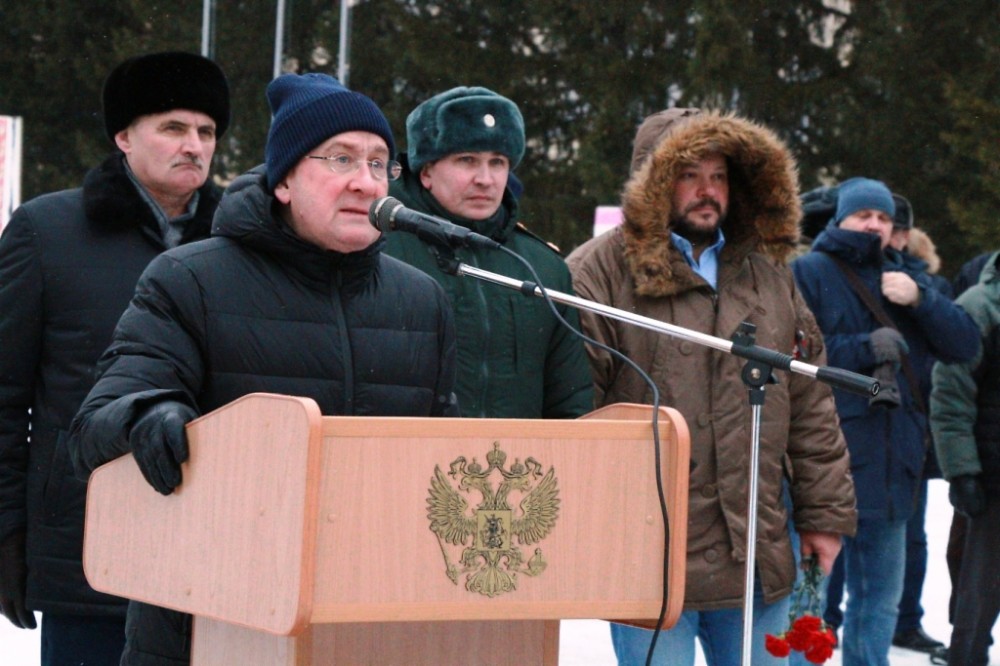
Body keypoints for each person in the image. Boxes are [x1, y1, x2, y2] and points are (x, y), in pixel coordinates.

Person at [67, 73, 458, 665]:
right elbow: (95, 425)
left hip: (368, 627)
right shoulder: (190, 278)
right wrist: (151, 415)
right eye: (341, 159)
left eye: (380, 164)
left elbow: (441, 455)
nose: (365, 181)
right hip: (204, 627)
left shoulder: (422, 300)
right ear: (284, 181)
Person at [566, 108, 857, 666]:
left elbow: (810, 403)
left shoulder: (767, 272)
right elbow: (579, 413)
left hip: (757, 550)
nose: (707, 191)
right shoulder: (596, 273)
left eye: (719, 176)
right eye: (689, 174)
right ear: (654, 181)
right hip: (650, 558)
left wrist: (823, 516)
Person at [0, 51, 229, 665]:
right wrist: (7, 533)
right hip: (89, 553)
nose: (195, 146)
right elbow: (4, 395)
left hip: (215, 556)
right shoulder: (46, 232)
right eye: (174, 128)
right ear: (124, 136)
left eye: (206, 132)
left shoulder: (239, 243)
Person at [791, 177, 979, 666]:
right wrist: (863, 347)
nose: (873, 225)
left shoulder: (907, 280)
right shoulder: (808, 271)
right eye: (862, 216)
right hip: (825, 465)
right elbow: (790, 355)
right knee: (807, 602)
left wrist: (922, 300)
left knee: (877, 604)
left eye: (882, 218)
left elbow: (966, 345)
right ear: (840, 220)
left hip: (894, 467)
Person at [383, 86, 593, 419]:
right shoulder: (380, 251)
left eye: (497, 162)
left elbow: (570, 401)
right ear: (426, 172)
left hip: (517, 468)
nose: (485, 179)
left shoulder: (542, 267)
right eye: (467, 160)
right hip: (411, 461)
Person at [931, 250, 1000, 666]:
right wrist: (962, 472)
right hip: (993, 480)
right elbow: (951, 395)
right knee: (977, 604)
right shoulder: (980, 305)